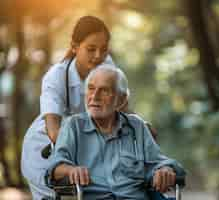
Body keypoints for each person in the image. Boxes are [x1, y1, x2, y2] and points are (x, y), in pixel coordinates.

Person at [46, 64, 185, 200]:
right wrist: (70, 170)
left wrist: (166, 170)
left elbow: (160, 162)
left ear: (121, 100)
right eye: (91, 88)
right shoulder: (73, 125)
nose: (94, 97)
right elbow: (55, 167)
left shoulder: (137, 126)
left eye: (104, 90)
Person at [21, 16, 116, 200]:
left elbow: (121, 107)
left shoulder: (107, 65)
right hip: (44, 150)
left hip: (81, 149)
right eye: (91, 49)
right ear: (74, 47)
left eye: (103, 49)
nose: (98, 55)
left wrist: (139, 126)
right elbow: (54, 132)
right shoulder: (55, 78)